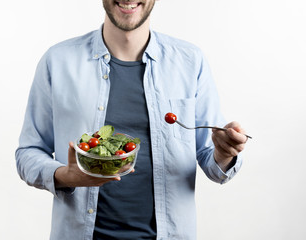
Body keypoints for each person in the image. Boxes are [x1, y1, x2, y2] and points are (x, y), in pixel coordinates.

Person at [15, 0, 249, 239]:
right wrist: (65, 176)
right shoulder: (58, 61)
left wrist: (224, 153)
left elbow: (214, 164)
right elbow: (28, 152)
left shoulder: (190, 62)